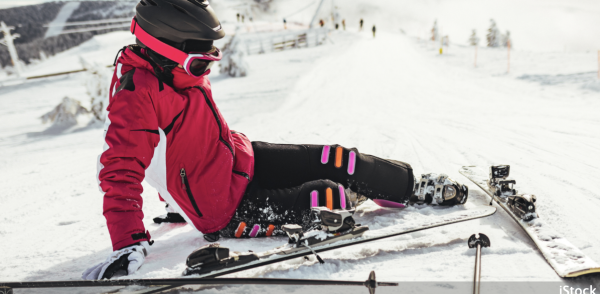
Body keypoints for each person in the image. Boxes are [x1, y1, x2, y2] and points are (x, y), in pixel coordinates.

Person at [82, 0, 468, 280]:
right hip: (224, 209)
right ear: (164, 49)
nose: (206, 69)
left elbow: (172, 151)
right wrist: (129, 240)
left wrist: (172, 201)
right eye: (200, 63)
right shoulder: (136, 96)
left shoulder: (173, 71)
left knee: (338, 158)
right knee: (326, 196)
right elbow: (121, 169)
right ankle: (354, 193)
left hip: (239, 160)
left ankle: (411, 186)